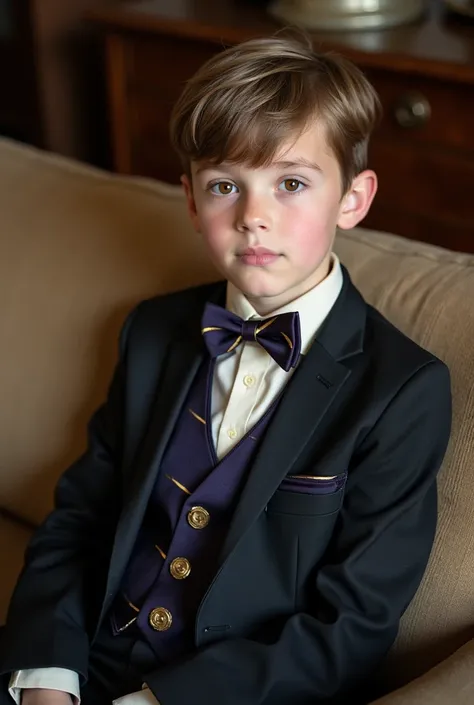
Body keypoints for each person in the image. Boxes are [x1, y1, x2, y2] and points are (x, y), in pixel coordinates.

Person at [0, 35, 451, 705]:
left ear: (353, 199)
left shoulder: (402, 389)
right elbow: (81, 517)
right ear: (190, 200)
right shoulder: (154, 331)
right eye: (224, 185)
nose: (253, 217)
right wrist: (46, 677)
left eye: (291, 183)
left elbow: (351, 626)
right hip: (79, 667)